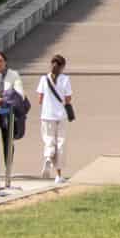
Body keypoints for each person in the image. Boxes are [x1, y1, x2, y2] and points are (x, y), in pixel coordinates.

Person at [37, 54, 75, 184]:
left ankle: (48, 158)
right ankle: (58, 175)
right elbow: (68, 98)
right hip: (61, 115)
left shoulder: (43, 79)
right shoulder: (65, 79)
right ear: (63, 66)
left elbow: (40, 99)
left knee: (49, 140)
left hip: (47, 115)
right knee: (60, 142)